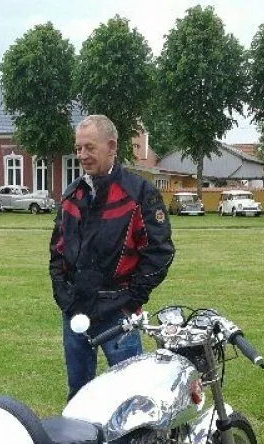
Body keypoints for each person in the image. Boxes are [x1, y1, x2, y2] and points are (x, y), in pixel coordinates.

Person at [49, 114, 174, 399]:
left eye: (89, 147)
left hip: (119, 314)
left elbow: (160, 251)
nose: (82, 155)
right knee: (79, 395)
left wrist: (131, 299)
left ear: (111, 146)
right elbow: (56, 252)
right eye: (78, 148)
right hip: (76, 312)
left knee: (132, 397)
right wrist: (63, 296)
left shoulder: (139, 193)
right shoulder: (72, 195)